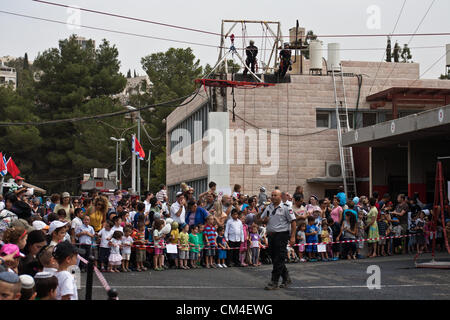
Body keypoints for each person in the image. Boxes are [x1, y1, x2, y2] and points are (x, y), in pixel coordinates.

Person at [258, 189, 296, 290]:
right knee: (275, 258)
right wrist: (263, 220)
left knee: (279, 258)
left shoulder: (286, 208)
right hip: (271, 235)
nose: (273, 197)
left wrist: (292, 236)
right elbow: (260, 219)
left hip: (282, 235)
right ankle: (286, 277)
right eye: (272, 195)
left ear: (280, 197)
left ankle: (274, 281)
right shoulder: (268, 207)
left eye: (275, 195)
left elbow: (293, 222)